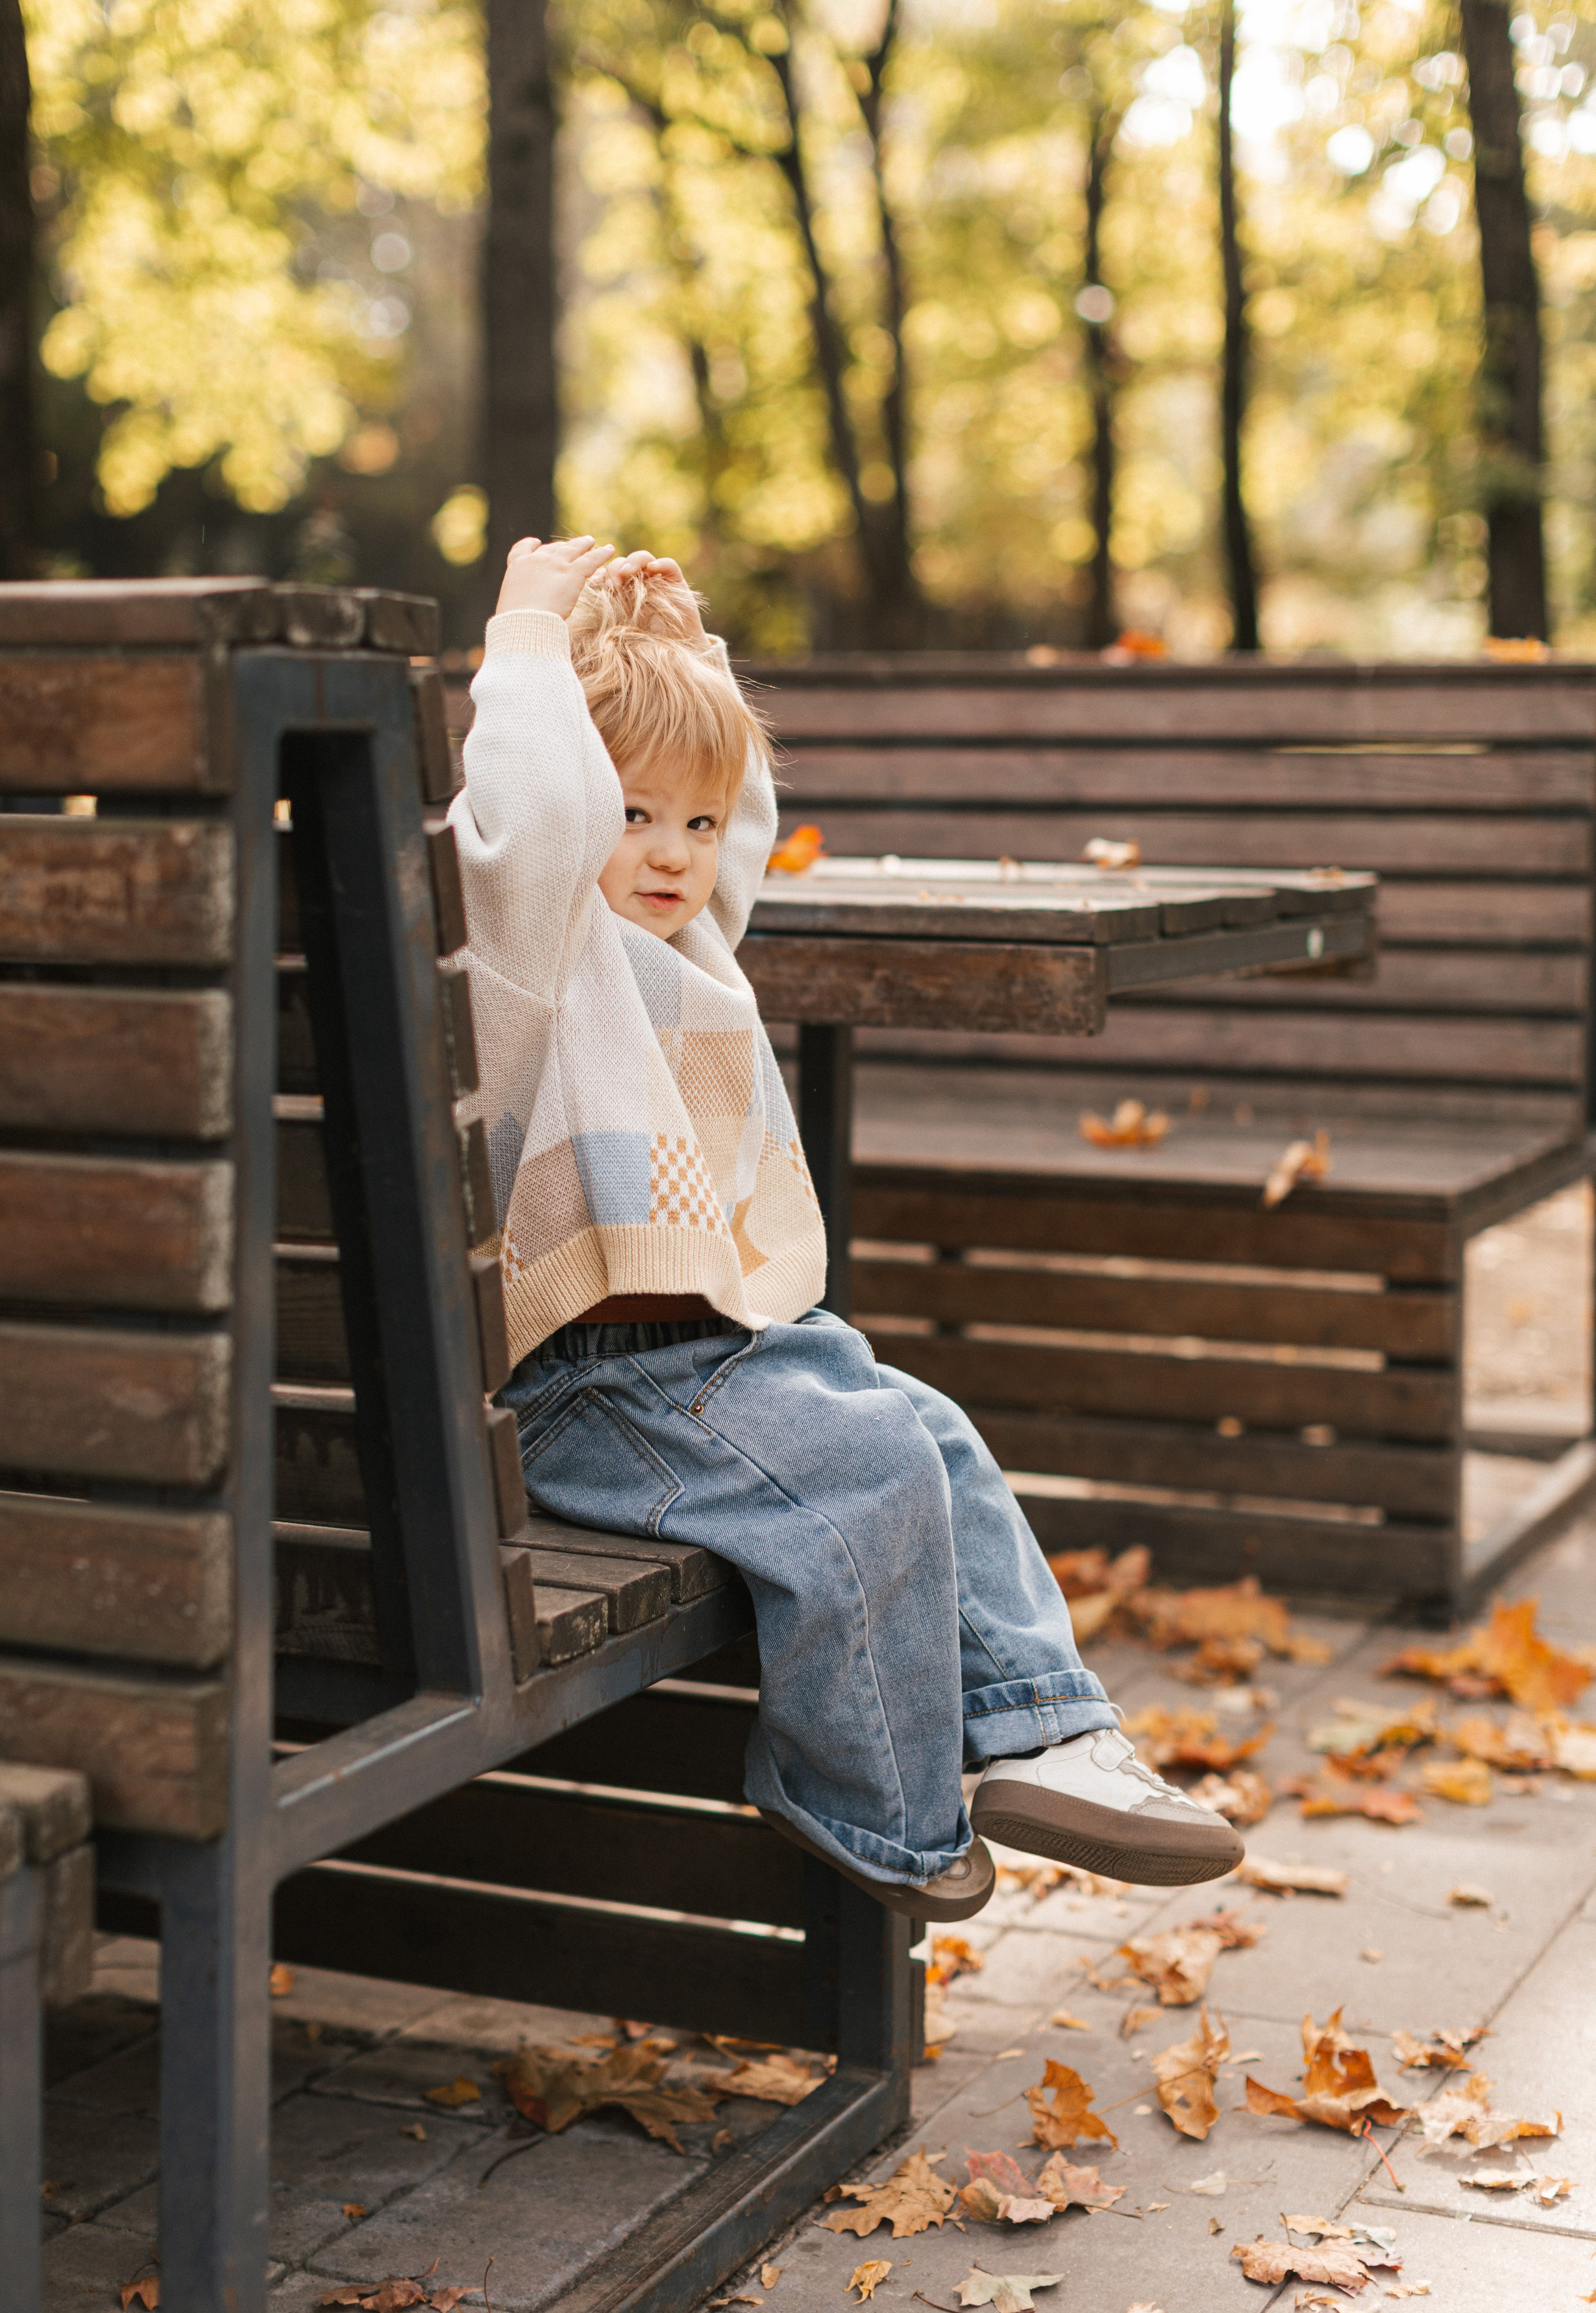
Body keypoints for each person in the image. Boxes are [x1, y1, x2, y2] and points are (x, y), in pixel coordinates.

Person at [448, 532, 1243, 1920]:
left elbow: (729, 813)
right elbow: (524, 827)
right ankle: (876, 1815)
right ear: (582, 811)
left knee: (928, 1429)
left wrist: (684, 659)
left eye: (694, 829)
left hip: (691, 1368)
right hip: (583, 1388)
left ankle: (1047, 1735)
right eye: (632, 817)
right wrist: (525, 640)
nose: (673, 857)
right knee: (872, 1467)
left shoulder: (683, 946)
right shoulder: (531, 957)